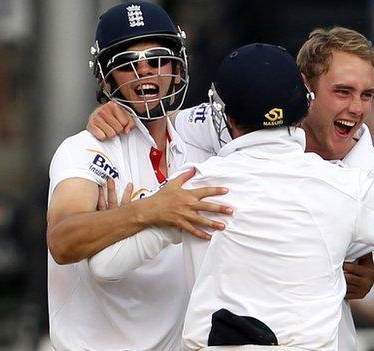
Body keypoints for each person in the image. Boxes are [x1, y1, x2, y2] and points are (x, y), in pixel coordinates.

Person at [88, 26, 374, 349]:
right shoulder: (348, 187)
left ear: (228, 115)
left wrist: (143, 209)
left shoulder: (197, 181)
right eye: (342, 91)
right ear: (304, 91)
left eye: (367, 95)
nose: (357, 108)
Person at [45, 2, 233, 350]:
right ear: (106, 78)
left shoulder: (204, 136)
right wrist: (152, 210)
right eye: (126, 64)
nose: (145, 71)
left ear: (177, 69)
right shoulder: (85, 149)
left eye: (158, 59)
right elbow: (62, 239)